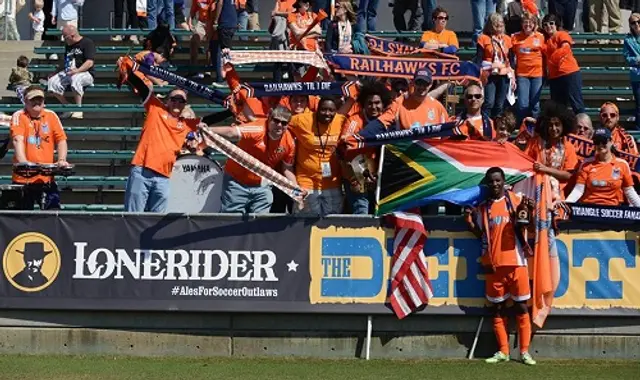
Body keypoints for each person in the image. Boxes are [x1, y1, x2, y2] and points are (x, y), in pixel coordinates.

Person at [466, 167, 536, 366]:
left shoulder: (516, 199)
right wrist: (470, 223)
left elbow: (529, 227)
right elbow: (482, 235)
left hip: (516, 262)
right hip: (494, 265)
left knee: (522, 307)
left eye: (498, 180)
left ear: (504, 181)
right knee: (497, 309)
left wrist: (530, 210)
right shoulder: (483, 207)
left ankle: (524, 352)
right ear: (487, 184)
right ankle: (503, 351)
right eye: (491, 182)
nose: (495, 184)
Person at [117, 57, 203, 212]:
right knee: (133, 217)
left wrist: (230, 108)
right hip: (143, 170)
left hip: (164, 176)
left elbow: (211, 120)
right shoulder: (156, 109)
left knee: (156, 220)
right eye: (174, 99)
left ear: (185, 104)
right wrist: (129, 71)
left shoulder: (187, 124)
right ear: (167, 101)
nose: (177, 103)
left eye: (181, 100)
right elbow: (142, 88)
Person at [208, 106, 299, 214]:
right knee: (232, 220)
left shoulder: (289, 143)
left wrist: (296, 188)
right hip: (237, 182)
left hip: (262, 185)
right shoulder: (258, 129)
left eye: (284, 123)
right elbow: (231, 132)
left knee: (260, 223)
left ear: (288, 125)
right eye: (276, 121)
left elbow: (287, 168)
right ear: (269, 118)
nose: (279, 125)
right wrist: (206, 129)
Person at [289, 95, 356, 216]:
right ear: (317, 109)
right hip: (306, 183)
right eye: (323, 109)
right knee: (304, 223)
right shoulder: (302, 120)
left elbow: (352, 99)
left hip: (332, 183)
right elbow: (277, 121)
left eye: (331, 110)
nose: (327, 113)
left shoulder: (340, 120)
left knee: (331, 224)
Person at [10, 85, 69, 210]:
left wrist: (62, 159)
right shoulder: (19, 116)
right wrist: (23, 162)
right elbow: (17, 139)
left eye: (40, 99)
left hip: (46, 177)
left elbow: (61, 139)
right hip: (23, 179)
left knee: (53, 213)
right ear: (25, 101)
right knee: (22, 218)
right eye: (33, 99)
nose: (37, 102)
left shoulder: (51, 116)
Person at [340, 80, 392, 214]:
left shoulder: (389, 122)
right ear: (363, 104)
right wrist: (365, 174)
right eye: (369, 103)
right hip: (356, 175)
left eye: (377, 103)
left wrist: (378, 175)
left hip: (380, 178)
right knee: (361, 213)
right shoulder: (354, 120)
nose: (373, 107)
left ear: (383, 104)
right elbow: (347, 146)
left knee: (382, 214)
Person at [566, 128, 640, 207]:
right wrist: (567, 203)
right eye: (597, 142)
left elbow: (629, 191)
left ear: (611, 141)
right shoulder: (586, 164)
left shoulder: (622, 164)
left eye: (604, 141)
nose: (600, 145)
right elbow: (578, 190)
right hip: (589, 209)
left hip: (613, 210)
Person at [47, 25, 95, 120]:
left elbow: (89, 62)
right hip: (69, 71)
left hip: (85, 73)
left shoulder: (87, 43)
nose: (64, 39)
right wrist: (55, 72)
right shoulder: (68, 46)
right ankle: (68, 107)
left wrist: (77, 71)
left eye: (65, 37)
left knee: (75, 79)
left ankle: (78, 109)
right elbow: (65, 61)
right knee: (52, 82)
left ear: (72, 35)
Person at [542, 13, 585, 114]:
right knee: (558, 108)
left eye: (551, 23)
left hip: (569, 73)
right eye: (545, 24)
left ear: (556, 24)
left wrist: (552, 60)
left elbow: (565, 48)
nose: (548, 26)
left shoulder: (562, 34)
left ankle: (583, 126)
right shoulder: (545, 40)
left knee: (577, 104)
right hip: (554, 77)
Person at [377, 69, 448, 130]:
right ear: (413, 83)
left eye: (425, 83)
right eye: (419, 83)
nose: (422, 86)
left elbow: (449, 127)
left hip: (431, 146)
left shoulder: (437, 106)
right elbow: (382, 122)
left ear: (430, 84)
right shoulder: (399, 103)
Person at [477, 13, 513, 118]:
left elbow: (511, 59)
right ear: (490, 26)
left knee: (500, 104)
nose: (499, 28)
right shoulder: (483, 38)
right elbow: (479, 58)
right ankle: (486, 127)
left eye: (501, 25)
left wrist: (511, 73)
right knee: (489, 102)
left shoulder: (507, 39)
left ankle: (498, 127)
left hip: (503, 74)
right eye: (496, 25)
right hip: (489, 73)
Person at [511, 12, 543, 125]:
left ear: (534, 24)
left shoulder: (540, 37)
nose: (528, 24)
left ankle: (536, 130)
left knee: (535, 104)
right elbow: (510, 57)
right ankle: (522, 128)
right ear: (521, 23)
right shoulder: (515, 37)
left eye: (530, 22)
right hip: (522, 74)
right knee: (522, 104)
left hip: (537, 74)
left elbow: (546, 54)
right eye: (525, 22)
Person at [210, 0, 238, 86]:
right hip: (231, 23)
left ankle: (224, 79)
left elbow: (220, 3)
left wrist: (215, 20)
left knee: (224, 53)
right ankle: (225, 78)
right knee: (224, 52)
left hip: (225, 24)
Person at [188, 0, 213, 79]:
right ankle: (193, 69)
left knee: (210, 46)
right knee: (194, 41)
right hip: (201, 22)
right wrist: (190, 21)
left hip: (212, 21)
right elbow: (193, 10)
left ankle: (208, 71)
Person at [624, 13, 640, 131]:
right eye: (633, 23)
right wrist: (637, 60)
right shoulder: (628, 40)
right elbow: (627, 57)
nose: (637, 25)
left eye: (639, 22)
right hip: (637, 76)